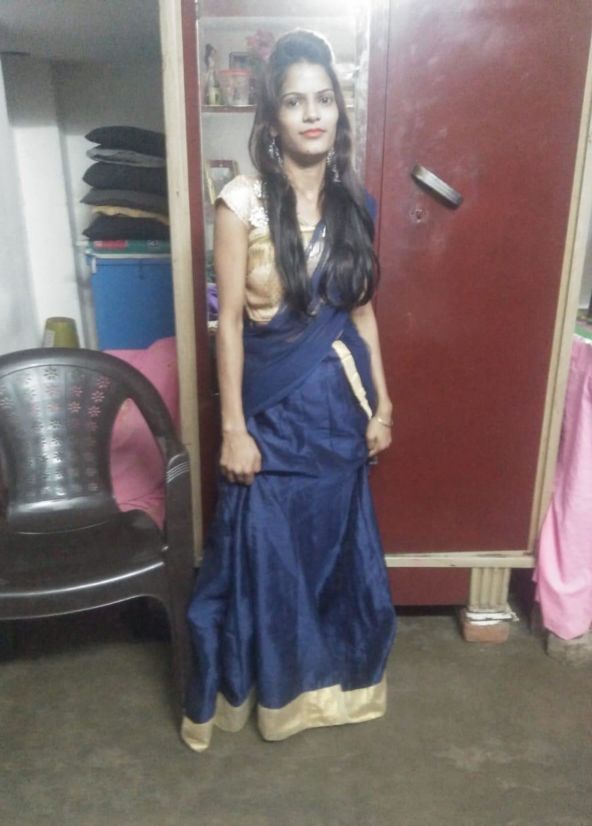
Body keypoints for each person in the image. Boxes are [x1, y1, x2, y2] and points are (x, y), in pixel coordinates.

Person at [181, 29, 396, 752]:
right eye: (295, 101)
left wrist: (383, 403)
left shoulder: (355, 204)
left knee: (334, 554)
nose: (312, 114)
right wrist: (233, 429)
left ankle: (332, 689)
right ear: (272, 118)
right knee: (271, 559)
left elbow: (361, 314)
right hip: (271, 419)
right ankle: (272, 692)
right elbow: (229, 329)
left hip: (338, 414)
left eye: (324, 100)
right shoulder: (240, 202)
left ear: (339, 110)